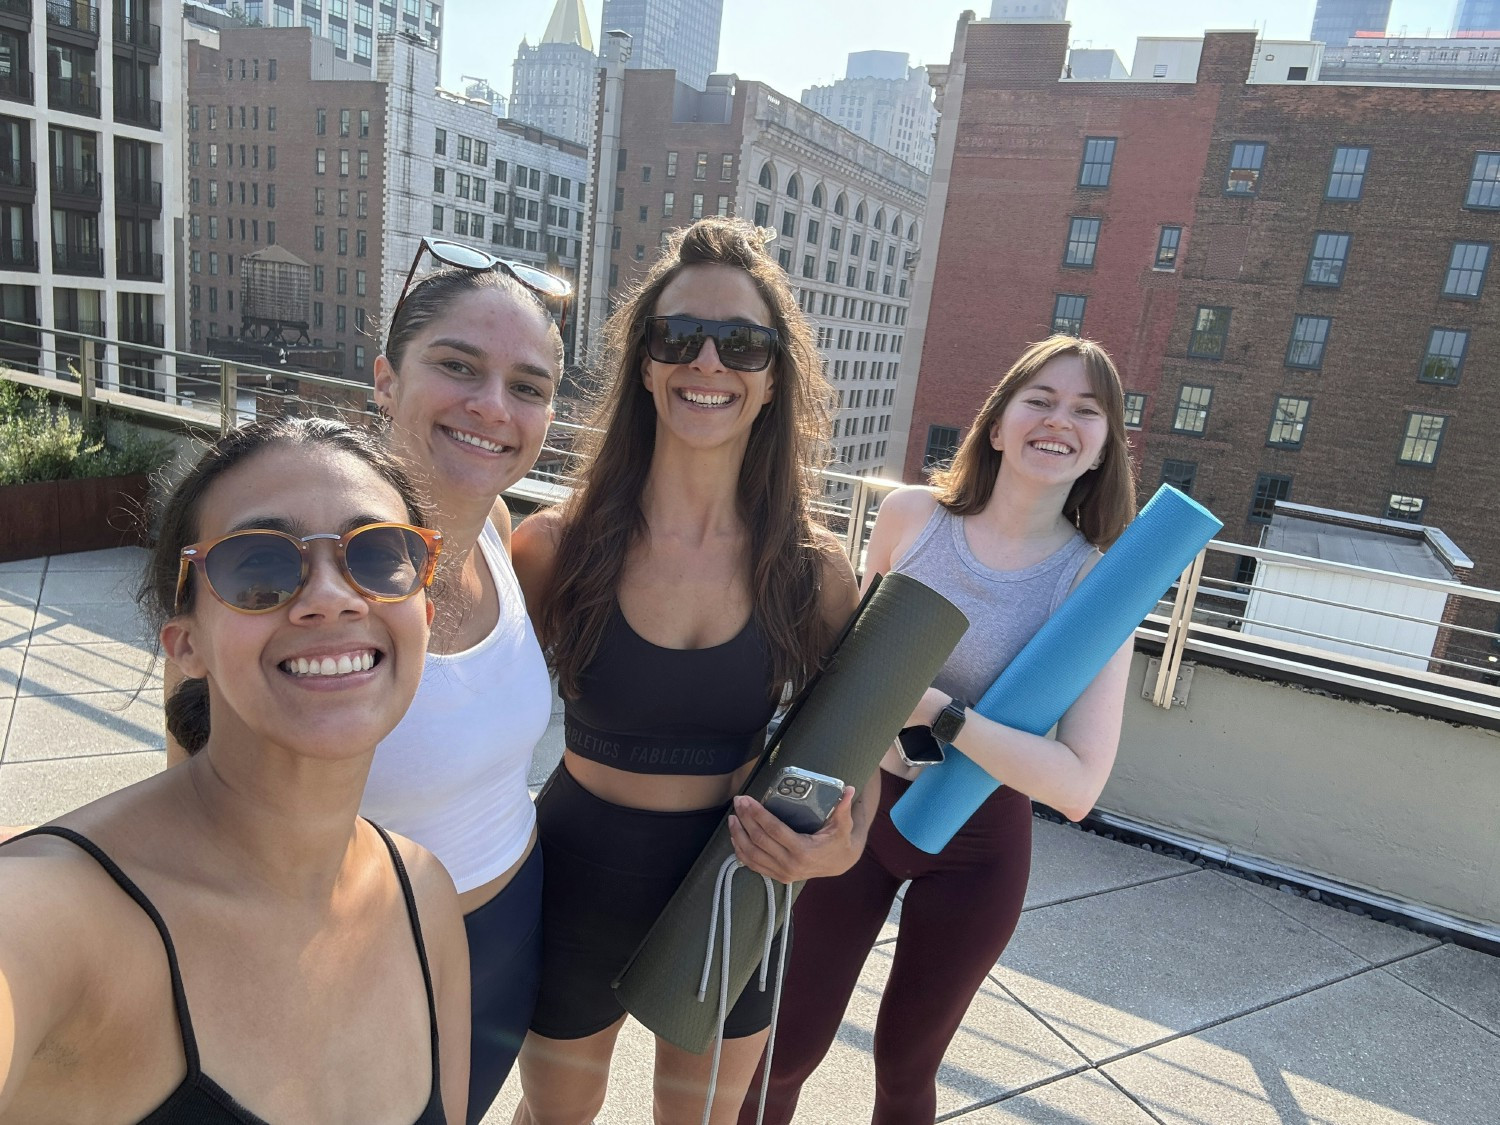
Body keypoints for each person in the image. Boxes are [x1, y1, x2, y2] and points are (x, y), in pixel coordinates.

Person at [163, 239, 572, 1124]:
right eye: (457, 366)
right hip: (354, 960)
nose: (492, 406)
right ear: (386, 379)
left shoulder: (503, 526)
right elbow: (186, 804)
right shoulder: (287, 577)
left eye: (528, 386)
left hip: (509, 927)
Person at [0, 416, 469, 1123]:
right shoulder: (57, 916)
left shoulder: (423, 895)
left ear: (424, 616)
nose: (332, 596)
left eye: (376, 556)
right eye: (258, 565)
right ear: (186, 643)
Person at [509, 216, 870, 1125]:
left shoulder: (813, 571)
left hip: (733, 881)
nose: (709, 363)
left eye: (742, 344)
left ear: (771, 379)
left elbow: (879, 746)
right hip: (575, 869)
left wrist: (840, 846)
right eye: (680, 337)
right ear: (645, 364)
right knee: (553, 1116)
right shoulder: (554, 546)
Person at [742, 335, 1138, 1124]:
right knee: (781, 1052)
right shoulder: (911, 516)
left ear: (1102, 448)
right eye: (1040, 400)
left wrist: (940, 713)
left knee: (904, 1069)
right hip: (854, 809)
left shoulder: (1096, 579)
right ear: (996, 424)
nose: (1059, 421)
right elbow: (842, 670)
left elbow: (1078, 783)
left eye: (1085, 412)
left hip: (978, 846)